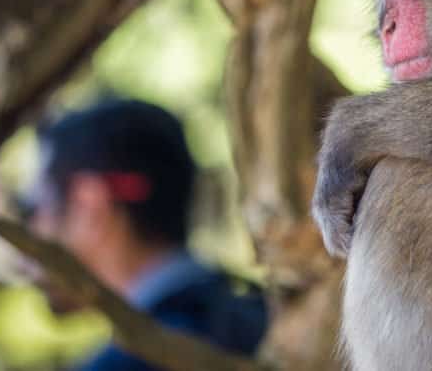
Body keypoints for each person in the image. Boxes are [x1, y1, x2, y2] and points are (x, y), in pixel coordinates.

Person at [21, 97, 268, 371]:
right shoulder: (268, 317)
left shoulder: (124, 365)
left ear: (89, 205)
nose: (30, 232)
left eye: (33, 208)